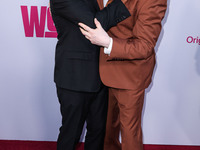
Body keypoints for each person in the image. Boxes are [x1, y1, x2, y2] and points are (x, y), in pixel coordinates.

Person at [79, 0, 167, 150]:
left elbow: (144, 46)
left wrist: (108, 43)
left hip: (130, 74)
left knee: (129, 133)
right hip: (98, 69)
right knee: (105, 130)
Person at [49, 0, 130, 150]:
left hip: (100, 75)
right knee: (71, 134)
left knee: (98, 133)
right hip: (74, 78)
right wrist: (123, 2)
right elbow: (95, 24)